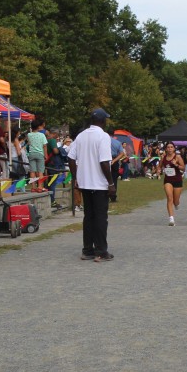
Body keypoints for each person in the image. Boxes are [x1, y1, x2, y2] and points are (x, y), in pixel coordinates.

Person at [67, 109, 116, 260]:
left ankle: (87, 250)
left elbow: (71, 158)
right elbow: (104, 162)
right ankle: (101, 251)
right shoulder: (103, 136)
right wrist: (111, 183)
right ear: (102, 121)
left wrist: (75, 177)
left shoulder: (81, 136)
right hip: (99, 184)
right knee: (100, 218)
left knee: (88, 217)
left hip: (85, 183)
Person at [159, 141, 186, 225]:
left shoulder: (177, 157)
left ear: (174, 149)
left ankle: (176, 203)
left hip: (177, 180)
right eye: (168, 147)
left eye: (171, 147)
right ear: (166, 149)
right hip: (168, 180)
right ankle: (171, 219)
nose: (170, 149)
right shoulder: (163, 157)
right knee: (169, 198)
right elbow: (159, 166)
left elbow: (183, 168)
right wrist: (158, 171)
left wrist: (176, 164)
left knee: (175, 201)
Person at [25, 118, 47, 191]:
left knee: (32, 171)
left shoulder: (29, 135)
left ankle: (33, 187)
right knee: (40, 171)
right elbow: (44, 145)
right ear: (38, 127)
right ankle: (40, 186)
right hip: (40, 153)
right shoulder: (42, 135)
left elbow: (29, 142)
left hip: (31, 153)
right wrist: (45, 155)